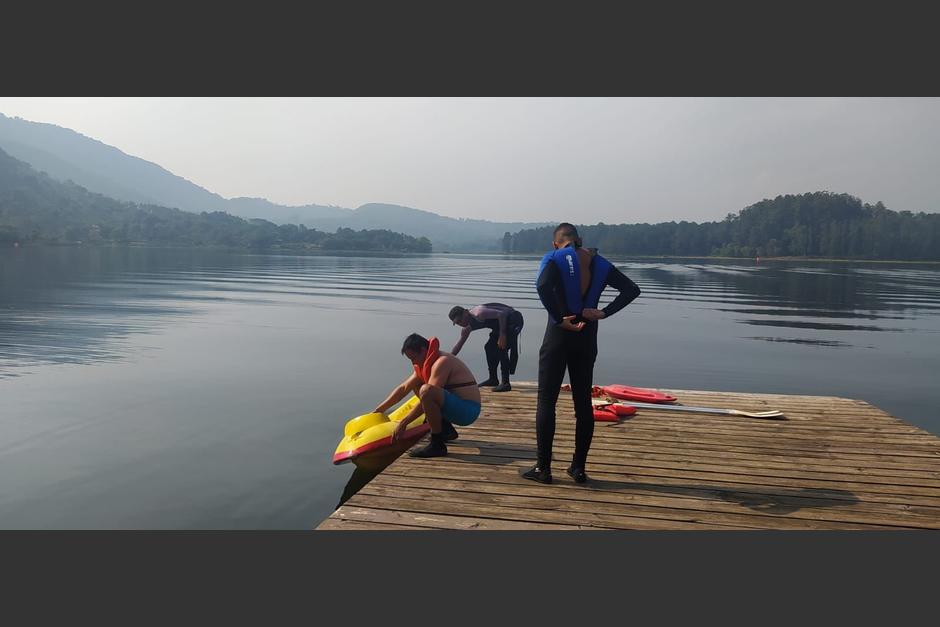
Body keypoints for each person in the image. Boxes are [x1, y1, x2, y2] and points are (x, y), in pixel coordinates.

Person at [521, 223, 641, 485]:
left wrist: (558, 317)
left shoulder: (554, 258)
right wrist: (603, 312)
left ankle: (543, 468)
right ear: (580, 240)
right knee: (582, 404)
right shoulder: (599, 262)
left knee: (546, 402)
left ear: (556, 243)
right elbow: (632, 290)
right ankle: (578, 468)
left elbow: (542, 285)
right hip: (587, 335)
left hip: (559, 333)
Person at [372, 333, 482, 458]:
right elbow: (403, 389)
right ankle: (446, 430)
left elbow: (428, 394)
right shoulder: (423, 364)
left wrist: (404, 423)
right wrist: (378, 410)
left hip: (467, 411)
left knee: (426, 390)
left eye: (413, 358)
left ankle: (437, 444)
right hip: (454, 407)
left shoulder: (442, 362)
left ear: (423, 350)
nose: (413, 362)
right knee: (416, 384)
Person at [448, 303, 524, 392]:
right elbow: (458, 345)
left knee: (501, 348)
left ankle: (505, 383)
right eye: (457, 323)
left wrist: (502, 334)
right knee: (489, 347)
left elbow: (501, 314)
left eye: (460, 320)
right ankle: (493, 379)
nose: (460, 324)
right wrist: (447, 358)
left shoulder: (479, 313)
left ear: (465, 312)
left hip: (514, 320)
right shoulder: (467, 329)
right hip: (500, 326)